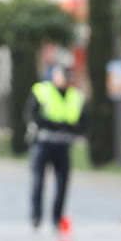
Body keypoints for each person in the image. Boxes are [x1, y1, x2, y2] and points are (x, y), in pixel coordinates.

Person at [26, 65, 86, 230]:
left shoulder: (75, 96)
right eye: (62, 76)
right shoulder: (41, 90)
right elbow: (32, 115)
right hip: (43, 143)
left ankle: (56, 219)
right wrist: (54, 125)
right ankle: (36, 216)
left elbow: (82, 121)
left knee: (62, 184)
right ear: (54, 76)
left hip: (63, 145)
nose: (65, 80)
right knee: (38, 181)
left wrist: (67, 128)